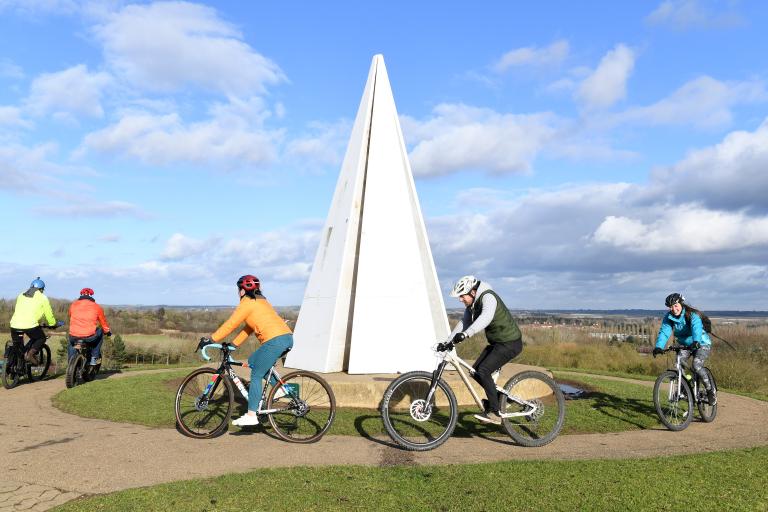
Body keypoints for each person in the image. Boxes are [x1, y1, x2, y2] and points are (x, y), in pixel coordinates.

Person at [201, 275, 293, 427]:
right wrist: (233, 345)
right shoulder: (261, 301)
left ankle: (251, 415)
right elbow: (249, 328)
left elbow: (231, 324)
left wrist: (211, 339)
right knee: (253, 361)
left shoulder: (246, 303)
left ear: (243, 290)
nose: (238, 293)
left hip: (274, 341)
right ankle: (280, 389)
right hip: (286, 338)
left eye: (238, 290)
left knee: (256, 373)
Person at [439, 275, 523, 425]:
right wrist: (447, 342)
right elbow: (464, 322)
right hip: (497, 343)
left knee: (484, 370)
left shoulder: (488, 297)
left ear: (472, 292)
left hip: (510, 343)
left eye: (462, 296)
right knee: (475, 371)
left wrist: (466, 334)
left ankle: (495, 413)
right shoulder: (472, 305)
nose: (460, 299)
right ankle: (502, 400)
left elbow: (486, 317)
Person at [653, 293, 716, 405]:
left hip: (701, 343)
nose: (674, 309)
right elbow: (664, 331)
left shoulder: (691, 314)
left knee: (696, 366)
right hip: (684, 344)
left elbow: (696, 327)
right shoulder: (669, 317)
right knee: (678, 364)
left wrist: (696, 341)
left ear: (681, 304)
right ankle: (685, 386)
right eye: (671, 307)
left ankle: (710, 391)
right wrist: (659, 346)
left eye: (676, 305)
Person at [9, 277, 59, 365]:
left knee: (17, 346)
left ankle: (14, 367)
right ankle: (30, 354)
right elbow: (48, 313)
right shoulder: (43, 297)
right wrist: (52, 324)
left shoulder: (21, 295)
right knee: (41, 338)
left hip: (14, 324)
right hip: (30, 325)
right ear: (41, 289)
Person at [68, 288, 112, 365]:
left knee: (72, 344)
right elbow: (103, 322)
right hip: (89, 337)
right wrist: (107, 331)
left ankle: (70, 363)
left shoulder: (73, 305)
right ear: (91, 295)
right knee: (100, 331)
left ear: (81, 295)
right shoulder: (97, 307)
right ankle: (94, 357)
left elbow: (70, 315)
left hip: (73, 336)